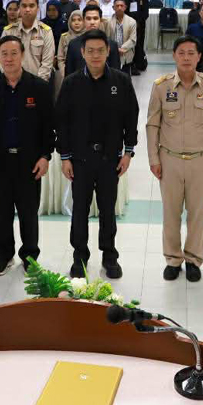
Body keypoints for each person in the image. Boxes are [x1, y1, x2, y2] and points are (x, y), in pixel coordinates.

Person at [56, 30, 139, 279]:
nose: (95, 55)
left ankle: (109, 256)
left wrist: (128, 153)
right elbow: (62, 121)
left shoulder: (121, 81)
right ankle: (80, 256)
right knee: (79, 210)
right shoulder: (71, 83)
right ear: (82, 53)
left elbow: (131, 117)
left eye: (100, 50)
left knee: (107, 210)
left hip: (109, 160)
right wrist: (65, 156)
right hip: (79, 160)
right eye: (89, 50)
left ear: (108, 51)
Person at [147, 36, 203, 282]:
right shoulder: (161, 86)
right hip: (169, 159)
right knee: (170, 213)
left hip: (201, 159)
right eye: (182, 53)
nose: (187, 57)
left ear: (199, 57)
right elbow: (152, 125)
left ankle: (193, 259)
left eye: (192, 53)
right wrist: (153, 158)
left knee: (197, 214)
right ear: (174, 56)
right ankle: (172, 259)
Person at [0, 36, 54, 275]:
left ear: (22, 55)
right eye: (4, 54)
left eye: (14, 53)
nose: (9, 59)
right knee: (0, 212)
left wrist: (45, 156)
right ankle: (3, 255)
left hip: (29, 161)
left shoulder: (38, 87)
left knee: (29, 212)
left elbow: (48, 125)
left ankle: (30, 256)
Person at [1, 0, 55, 83]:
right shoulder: (8, 31)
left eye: (31, 6)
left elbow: (47, 62)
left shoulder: (46, 31)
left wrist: (37, 84)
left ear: (37, 8)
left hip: (38, 84)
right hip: (12, 83)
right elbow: (1, 58)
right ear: (19, 8)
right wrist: (11, 80)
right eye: (24, 6)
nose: (27, 9)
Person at [65, 7, 121, 76]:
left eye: (95, 18)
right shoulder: (73, 44)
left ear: (100, 20)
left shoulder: (111, 45)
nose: (92, 22)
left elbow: (116, 74)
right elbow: (69, 73)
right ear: (83, 21)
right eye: (88, 19)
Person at [119, 0, 151, 73]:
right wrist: (130, 23)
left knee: (139, 44)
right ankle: (130, 64)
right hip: (127, 26)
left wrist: (138, 22)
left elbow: (146, 13)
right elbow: (122, 12)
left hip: (140, 26)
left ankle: (139, 63)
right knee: (129, 45)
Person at [110, 0, 138, 74]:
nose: (119, 8)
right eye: (117, 6)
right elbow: (106, 38)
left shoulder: (131, 21)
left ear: (125, 7)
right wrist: (115, 49)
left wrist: (122, 48)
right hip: (112, 53)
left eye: (121, 6)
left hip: (126, 52)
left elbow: (132, 39)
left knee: (126, 78)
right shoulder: (108, 21)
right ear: (113, 8)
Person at [56, 10, 84, 78]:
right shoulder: (64, 37)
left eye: (79, 20)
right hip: (68, 74)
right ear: (69, 22)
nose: (76, 23)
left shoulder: (89, 36)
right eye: (73, 20)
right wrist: (64, 72)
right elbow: (60, 58)